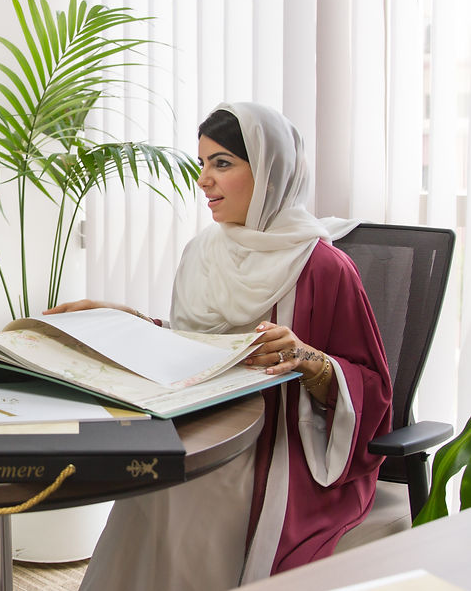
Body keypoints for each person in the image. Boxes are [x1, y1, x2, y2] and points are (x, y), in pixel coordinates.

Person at [47, 102, 393, 589]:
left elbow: (375, 389)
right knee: (155, 479)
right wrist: (128, 321)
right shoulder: (203, 251)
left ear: (272, 173)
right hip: (205, 420)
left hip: (277, 441)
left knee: (188, 488)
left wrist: (310, 360)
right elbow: (198, 346)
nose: (204, 180)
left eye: (223, 163)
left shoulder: (323, 267)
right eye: (203, 163)